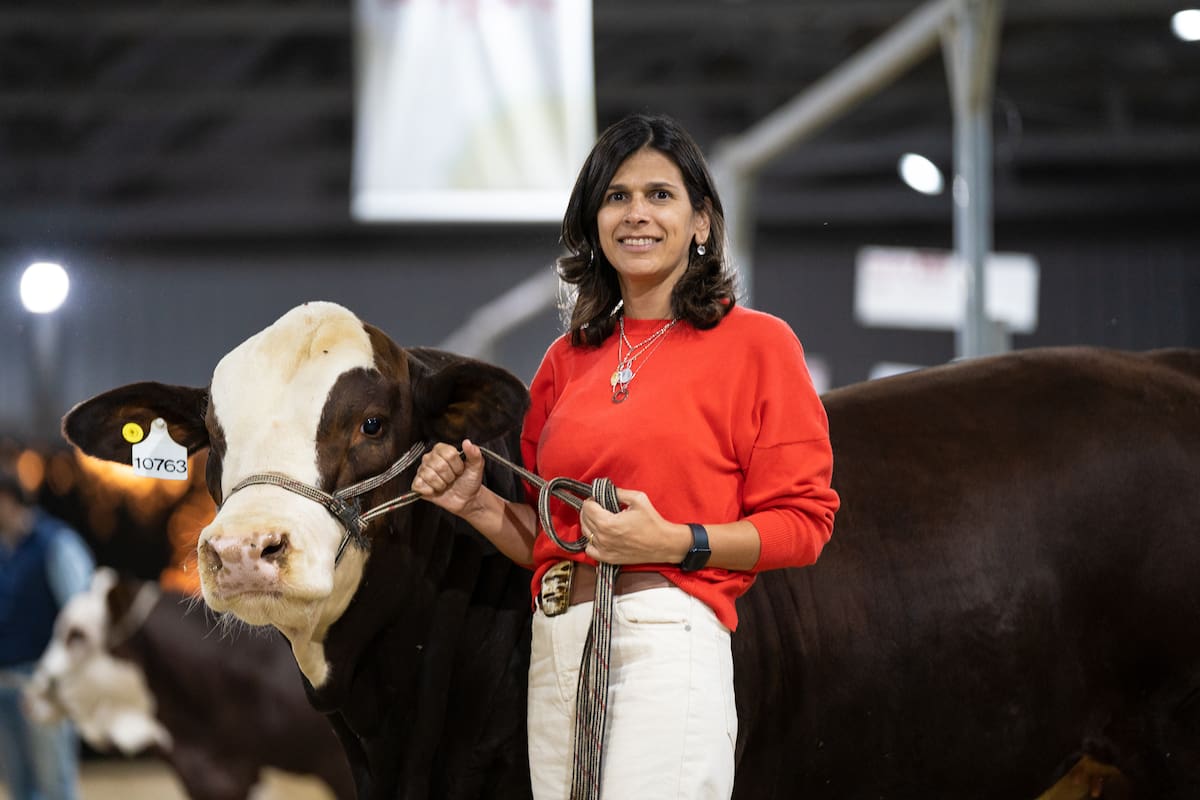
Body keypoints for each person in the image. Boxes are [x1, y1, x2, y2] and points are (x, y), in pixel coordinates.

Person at [412, 113, 839, 800]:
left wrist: (672, 540)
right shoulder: (565, 362)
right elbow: (552, 540)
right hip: (556, 645)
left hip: (666, 641)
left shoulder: (758, 345)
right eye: (616, 196)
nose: (636, 213)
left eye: (660, 195)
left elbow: (806, 523)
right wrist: (478, 505)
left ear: (701, 222)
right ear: (594, 221)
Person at [0, 469, 95, 800]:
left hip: (44, 683)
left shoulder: (55, 543)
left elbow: (80, 611)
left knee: (56, 785)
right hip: (4, 682)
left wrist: (66, 676)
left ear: (8, 500)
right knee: (19, 786)